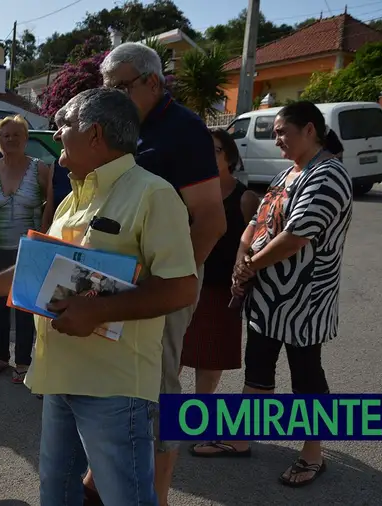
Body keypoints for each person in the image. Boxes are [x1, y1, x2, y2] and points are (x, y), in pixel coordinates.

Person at [0, 87, 198, 506]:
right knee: (57, 495)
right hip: (59, 377)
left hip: (114, 387)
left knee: (127, 498)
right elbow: (43, 267)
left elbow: (181, 286)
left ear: (95, 134)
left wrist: (99, 310)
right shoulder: (73, 195)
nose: (55, 131)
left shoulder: (152, 194)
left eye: (65, 123)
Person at [192, 101, 354, 489]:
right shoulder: (288, 173)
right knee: (258, 371)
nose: (276, 139)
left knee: (307, 377)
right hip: (267, 297)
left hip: (305, 300)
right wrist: (241, 256)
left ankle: (312, 455)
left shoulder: (329, 175)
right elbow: (257, 220)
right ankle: (240, 438)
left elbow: (295, 236)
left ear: (310, 129)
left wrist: (251, 265)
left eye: (282, 131)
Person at [95, 41, 227, 506]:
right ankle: (106, 478)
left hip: (164, 285)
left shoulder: (184, 130)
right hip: (117, 279)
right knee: (114, 378)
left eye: (120, 87)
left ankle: (159, 494)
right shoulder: (123, 126)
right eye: (105, 87)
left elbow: (210, 219)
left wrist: (174, 286)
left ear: (153, 82)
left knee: (159, 388)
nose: (110, 96)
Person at [179, 128, 260, 394]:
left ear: (230, 156)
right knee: (172, 359)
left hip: (220, 292)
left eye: (215, 150)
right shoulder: (188, 193)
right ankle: (160, 426)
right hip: (186, 286)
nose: (207, 157)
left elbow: (253, 245)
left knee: (210, 367)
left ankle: (197, 430)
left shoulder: (245, 198)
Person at [0, 115, 53, 384]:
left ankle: (23, 362)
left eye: (16, 135)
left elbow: (50, 207)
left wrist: (42, 237)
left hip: (28, 247)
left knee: (24, 306)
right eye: (5, 135)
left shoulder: (40, 169)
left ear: (26, 139)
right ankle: (0, 356)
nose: (11, 139)